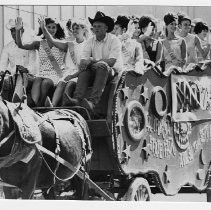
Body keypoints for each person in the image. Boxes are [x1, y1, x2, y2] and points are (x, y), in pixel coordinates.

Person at [67, 11, 122, 112]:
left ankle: (93, 102)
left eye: (99, 26)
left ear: (106, 28)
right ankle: (77, 99)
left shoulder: (114, 40)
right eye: (94, 26)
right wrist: (87, 63)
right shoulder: (90, 41)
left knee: (103, 65)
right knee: (84, 70)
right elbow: (83, 61)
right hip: (95, 69)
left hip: (113, 73)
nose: (96, 28)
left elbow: (111, 62)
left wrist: (92, 60)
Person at [38, 16, 90, 106]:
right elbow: (52, 40)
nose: (74, 31)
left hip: (81, 74)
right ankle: (52, 106)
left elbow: (86, 66)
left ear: (84, 30)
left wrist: (72, 76)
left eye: (77, 28)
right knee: (61, 83)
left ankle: (63, 107)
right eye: (73, 29)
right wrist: (43, 28)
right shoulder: (69, 44)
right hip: (67, 73)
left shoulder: (89, 45)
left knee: (69, 84)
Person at [16, 16, 67, 107]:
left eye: (53, 27)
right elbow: (21, 45)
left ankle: (40, 104)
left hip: (56, 75)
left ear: (57, 29)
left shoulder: (62, 43)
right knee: (37, 80)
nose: (51, 29)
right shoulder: (39, 43)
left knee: (46, 82)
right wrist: (18, 30)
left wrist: (44, 29)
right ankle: (33, 103)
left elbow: (51, 39)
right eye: (48, 27)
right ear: (44, 27)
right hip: (42, 73)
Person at [0, 19, 38, 101]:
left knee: (22, 76)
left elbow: (35, 65)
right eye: (12, 31)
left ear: (22, 31)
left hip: (29, 76)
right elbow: (2, 65)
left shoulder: (29, 45)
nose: (14, 33)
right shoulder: (7, 47)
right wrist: (2, 71)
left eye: (16, 30)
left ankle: (16, 101)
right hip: (13, 77)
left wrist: (26, 69)